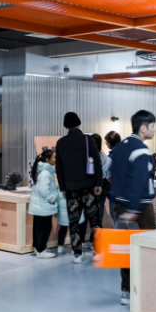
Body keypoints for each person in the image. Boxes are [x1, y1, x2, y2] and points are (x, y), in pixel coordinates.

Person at [111, 110, 156, 305]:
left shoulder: (119, 148)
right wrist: (134, 209)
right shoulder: (141, 150)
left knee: (125, 250)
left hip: (120, 205)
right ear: (143, 128)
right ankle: (146, 290)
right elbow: (139, 180)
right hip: (140, 208)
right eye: (153, 126)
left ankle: (126, 290)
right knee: (148, 249)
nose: (155, 130)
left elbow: (113, 175)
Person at [55, 112, 102, 264]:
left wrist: (63, 188)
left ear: (66, 126)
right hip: (88, 187)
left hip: (71, 189)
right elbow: (97, 162)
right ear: (79, 123)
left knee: (74, 221)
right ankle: (98, 251)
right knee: (94, 219)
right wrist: (98, 183)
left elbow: (59, 169)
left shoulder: (61, 143)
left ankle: (77, 253)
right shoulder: (88, 140)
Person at [28, 149, 63, 259]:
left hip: (40, 205)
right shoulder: (45, 173)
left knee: (39, 227)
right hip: (43, 205)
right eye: (54, 157)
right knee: (44, 228)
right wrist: (52, 198)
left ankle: (38, 248)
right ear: (47, 160)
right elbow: (43, 190)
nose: (55, 159)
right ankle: (41, 250)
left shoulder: (43, 171)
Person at [104, 131, 122, 225]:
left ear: (111, 142)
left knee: (115, 215)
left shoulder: (113, 155)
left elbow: (109, 175)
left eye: (106, 142)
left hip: (115, 192)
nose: (106, 144)